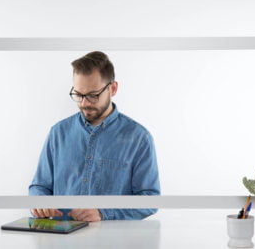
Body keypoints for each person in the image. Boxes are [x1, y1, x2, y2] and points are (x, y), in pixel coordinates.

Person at [28, 51, 160, 221]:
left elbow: (150, 199)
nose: (84, 103)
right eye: (78, 95)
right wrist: (39, 202)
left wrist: (103, 212)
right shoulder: (58, 133)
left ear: (113, 89)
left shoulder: (139, 138)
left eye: (93, 95)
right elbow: (40, 186)